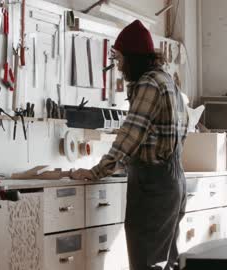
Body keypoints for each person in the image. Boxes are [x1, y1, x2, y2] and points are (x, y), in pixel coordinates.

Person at [70, 20, 189, 270]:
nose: (119, 65)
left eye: (120, 58)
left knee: (147, 264)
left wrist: (96, 171)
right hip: (173, 180)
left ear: (133, 58)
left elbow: (129, 137)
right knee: (166, 263)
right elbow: (178, 133)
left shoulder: (149, 84)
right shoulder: (168, 81)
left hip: (153, 187)